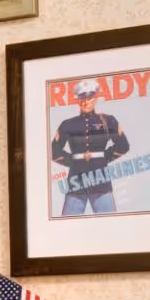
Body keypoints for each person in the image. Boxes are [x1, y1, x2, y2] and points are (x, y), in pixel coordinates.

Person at [52, 79, 131, 216]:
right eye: (82, 98)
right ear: (78, 100)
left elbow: (123, 145)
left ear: (96, 99)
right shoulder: (67, 124)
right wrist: (73, 161)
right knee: (67, 228)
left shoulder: (108, 121)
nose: (86, 101)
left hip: (101, 180)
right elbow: (53, 151)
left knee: (110, 225)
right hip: (76, 182)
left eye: (89, 98)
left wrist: (105, 157)